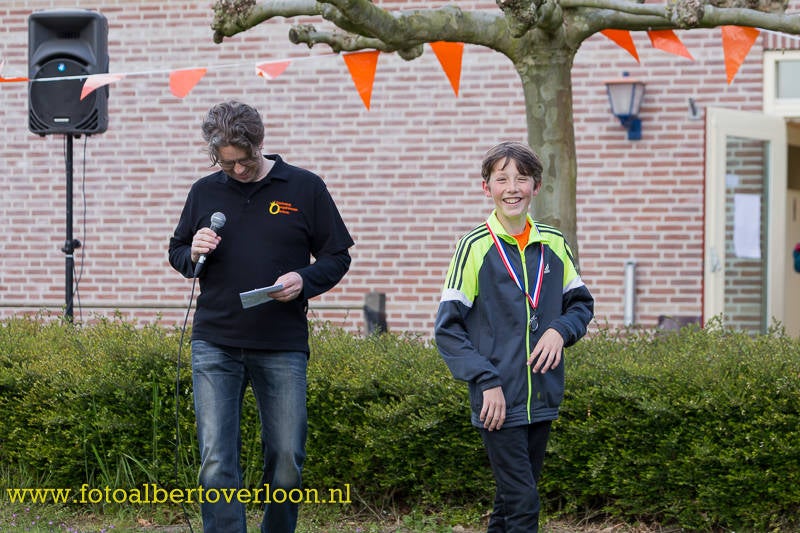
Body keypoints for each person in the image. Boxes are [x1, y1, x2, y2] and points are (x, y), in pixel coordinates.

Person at [168, 100, 354, 533]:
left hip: (281, 344)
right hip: (214, 342)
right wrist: (192, 249)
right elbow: (178, 252)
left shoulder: (305, 187)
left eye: (244, 160)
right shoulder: (204, 191)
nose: (236, 170)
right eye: (226, 162)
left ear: (260, 143)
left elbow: (337, 255)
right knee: (216, 460)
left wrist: (304, 280)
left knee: (288, 458)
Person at [434, 141, 594, 533]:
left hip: (542, 395)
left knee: (509, 504)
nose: (512, 187)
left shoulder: (554, 244)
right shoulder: (473, 248)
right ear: (485, 187)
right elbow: (447, 329)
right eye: (501, 178)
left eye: (521, 178)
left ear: (536, 187)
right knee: (524, 505)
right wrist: (485, 380)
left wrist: (560, 330)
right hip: (498, 400)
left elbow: (581, 306)